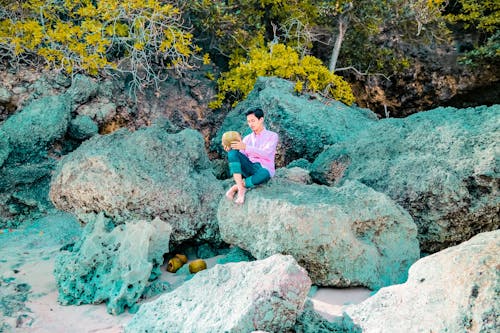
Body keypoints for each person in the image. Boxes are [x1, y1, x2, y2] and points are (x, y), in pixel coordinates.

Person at [224, 108, 279, 204]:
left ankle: (237, 186)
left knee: (264, 174)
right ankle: (241, 189)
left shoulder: (272, 136)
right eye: (248, 121)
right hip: (249, 167)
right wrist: (231, 149)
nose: (250, 124)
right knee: (232, 153)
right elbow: (241, 156)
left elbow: (266, 154)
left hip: (262, 169)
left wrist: (246, 147)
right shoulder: (247, 138)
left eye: (253, 121)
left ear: (261, 119)